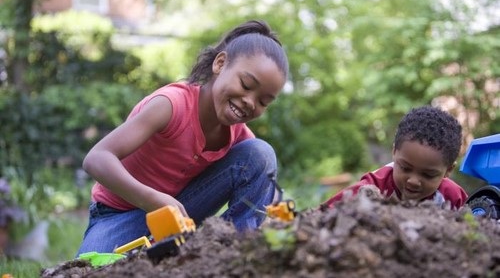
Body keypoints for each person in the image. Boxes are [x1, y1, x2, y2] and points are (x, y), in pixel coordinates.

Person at [76, 19, 289, 255]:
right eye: (247, 84)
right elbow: (96, 158)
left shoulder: (236, 133)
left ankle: (234, 253)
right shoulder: (171, 105)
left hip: (180, 214)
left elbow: (263, 178)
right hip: (119, 216)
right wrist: (153, 201)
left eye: (263, 101)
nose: (250, 102)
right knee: (86, 268)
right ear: (220, 63)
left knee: (261, 153)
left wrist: (278, 213)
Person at [321, 105, 468, 210]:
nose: (413, 181)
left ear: (448, 170)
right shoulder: (373, 187)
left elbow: (478, 223)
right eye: (405, 168)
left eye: (428, 175)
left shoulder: (453, 197)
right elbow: (325, 212)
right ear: (394, 152)